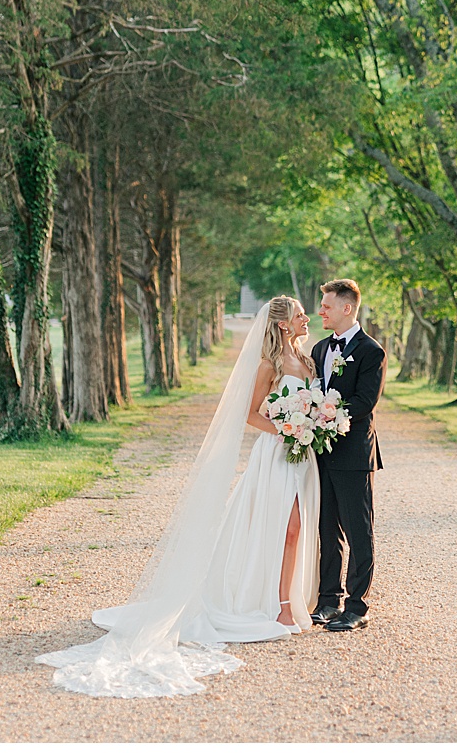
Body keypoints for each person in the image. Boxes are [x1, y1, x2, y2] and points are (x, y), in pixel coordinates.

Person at [36, 295, 322, 698]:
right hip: (277, 453)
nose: (306, 318)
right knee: (281, 527)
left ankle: (287, 599)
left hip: (304, 455)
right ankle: (280, 606)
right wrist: (286, 429)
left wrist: (314, 421)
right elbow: (250, 413)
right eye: (299, 315)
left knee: (298, 527)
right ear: (282, 325)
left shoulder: (308, 362)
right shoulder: (267, 366)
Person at [309, 279, 385, 632]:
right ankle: (328, 601)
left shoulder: (372, 351)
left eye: (326, 305)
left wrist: (326, 415)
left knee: (358, 530)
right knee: (327, 529)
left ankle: (357, 606)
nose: (321, 311)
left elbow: (365, 402)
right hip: (321, 454)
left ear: (347, 308)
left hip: (354, 454)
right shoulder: (320, 349)